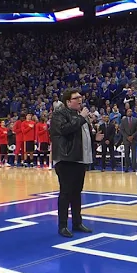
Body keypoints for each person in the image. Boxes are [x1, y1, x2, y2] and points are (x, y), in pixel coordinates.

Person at [50, 89, 103, 238]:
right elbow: (63, 130)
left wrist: (94, 138)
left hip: (80, 159)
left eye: (80, 97)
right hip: (66, 159)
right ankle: (62, 225)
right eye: (76, 98)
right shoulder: (59, 114)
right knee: (66, 192)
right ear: (68, 102)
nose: (80, 99)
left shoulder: (80, 117)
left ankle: (77, 222)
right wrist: (81, 118)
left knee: (76, 193)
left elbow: (80, 136)